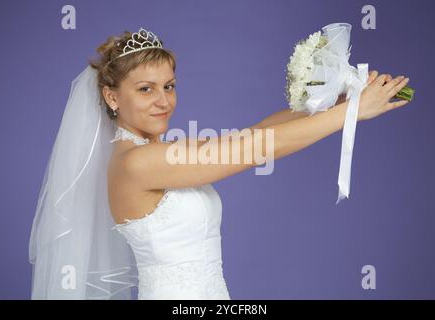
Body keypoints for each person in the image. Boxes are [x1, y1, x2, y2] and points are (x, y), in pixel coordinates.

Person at [29, 27, 410, 299]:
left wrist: (336, 103)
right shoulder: (137, 164)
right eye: (145, 89)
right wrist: (352, 115)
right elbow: (256, 148)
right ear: (112, 97)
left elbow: (252, 134)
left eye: (169, 86)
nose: (163, 101)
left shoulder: (162, 152)